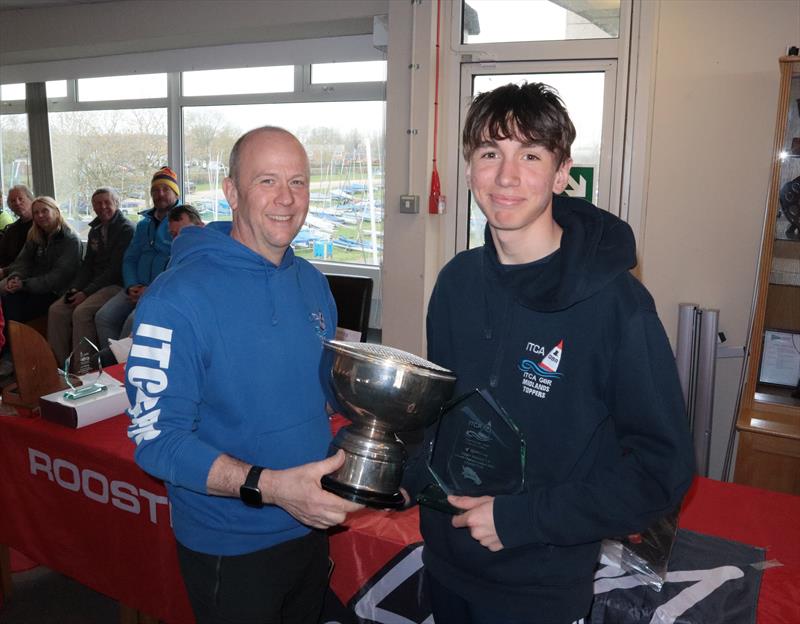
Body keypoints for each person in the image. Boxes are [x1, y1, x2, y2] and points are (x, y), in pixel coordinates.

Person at [401, 83, 694, 624]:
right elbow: (441, 415)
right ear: (469, 169)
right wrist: (403, 474)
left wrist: (522, 520)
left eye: (530, 155)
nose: (506, 176)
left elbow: (662, 473)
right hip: (444, 562)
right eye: (490, 153)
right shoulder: (455, 282)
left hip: (538, 586)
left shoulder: (617, 305)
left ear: (562, 175)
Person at [124, 126, 362, 624]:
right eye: (267, 181)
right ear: (231, 192)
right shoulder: (175, 300)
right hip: (229, 545)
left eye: (298, 182)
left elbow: (317, 395)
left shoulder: (312, 282)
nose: (286, 199)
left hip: (309, 527)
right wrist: (272, 487)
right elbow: (156, 442)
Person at [47, 187, 134, 373]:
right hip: (93, 285)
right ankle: (61, 367)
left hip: (114, 284)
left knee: (82, 312)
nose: (102, 207)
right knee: (56, 310)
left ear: (116, 204)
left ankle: (84, 369)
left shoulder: (126, 229)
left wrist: (86, 293)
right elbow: (87, 265)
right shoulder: (94, 230)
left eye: (107, 202)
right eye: (97, 203)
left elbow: (114, 270)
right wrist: (76, 288)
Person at [94, 166, 177, 350]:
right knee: (103, 317)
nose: (160, 194)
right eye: (155, 190)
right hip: (135, 288)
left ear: (175, 193)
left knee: (132, 322)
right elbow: (130, 258)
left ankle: (125, 371)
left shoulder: (182, 221)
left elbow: (177, 265)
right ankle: (111, 368)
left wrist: (150, 289)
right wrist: (132, 285)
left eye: (165, 189)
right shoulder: (143, 224)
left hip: (160, 292)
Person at [0, 196, 81, 357]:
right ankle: (11, 353)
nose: (40, 216)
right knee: (8, 301)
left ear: (56, 212)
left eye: (45, 211)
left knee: (18, 311)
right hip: (32, 286)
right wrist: (16, 277)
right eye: (36, 213)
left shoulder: (70, 239)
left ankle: (17, 355)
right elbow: (22, 262)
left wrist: (24, 285)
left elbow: (57, 278)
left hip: (57, 291)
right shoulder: (35, 236)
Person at [0, 185, 35, 271]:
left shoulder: (41, 226)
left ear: (31, 200)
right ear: (10, 207)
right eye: (13, 201)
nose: (17, 203)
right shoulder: (11, 230)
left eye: (21, 199)